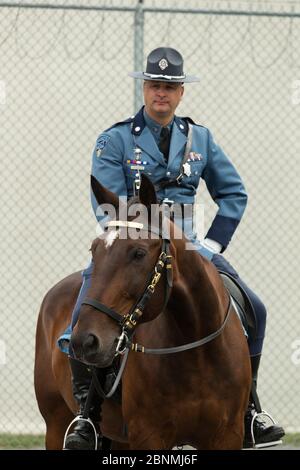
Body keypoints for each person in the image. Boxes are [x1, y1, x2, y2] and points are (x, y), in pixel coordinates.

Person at [60, 47, 285, 450]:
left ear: (180, 93)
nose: (160, 93)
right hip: (133, 245)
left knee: (256, 308)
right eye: (154, 85)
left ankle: (250, 410)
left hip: (192, 245)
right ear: (144, 89)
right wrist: (133, 237)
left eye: (169, 87)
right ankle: (88, 414)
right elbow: (106, 204)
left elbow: (233, 192)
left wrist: (213, 243)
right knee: (81, 316)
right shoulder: (113, 140)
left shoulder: (200, 139)